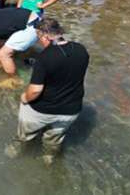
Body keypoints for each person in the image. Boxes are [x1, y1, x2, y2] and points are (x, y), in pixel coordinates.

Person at [5, 18, 89, 165]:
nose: (39, 41)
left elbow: (35, 91)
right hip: (71, 111)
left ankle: (13, 153)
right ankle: (48, 158)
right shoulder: (81, 49)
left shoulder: (44, 58)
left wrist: (24, 97)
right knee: (54, 139)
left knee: (24, 135)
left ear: (45, 36)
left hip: (43, 110)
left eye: (38, 37)